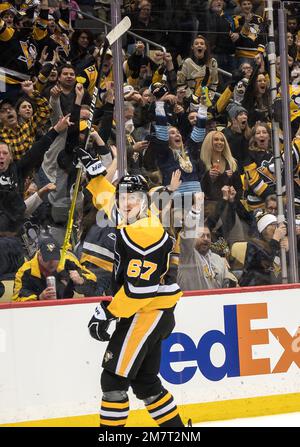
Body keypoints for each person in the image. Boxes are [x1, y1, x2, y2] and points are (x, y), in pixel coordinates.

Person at [81, 160, 184, 427]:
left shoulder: (146, 232)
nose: (126, 202)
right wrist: (95, 177)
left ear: (145, 200)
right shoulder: (132, 217)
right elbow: (109, 203)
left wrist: (108, 312)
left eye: (134, 198)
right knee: (146, 384)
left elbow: (141, 291)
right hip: (154, 313)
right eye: (123, 197)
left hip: (145, 312)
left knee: (113, 381)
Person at [178, 191, 238, 290]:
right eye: (201, 235)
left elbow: (229, 284)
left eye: (208, 236)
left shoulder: (218, 259)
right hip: (192, 304)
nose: (205, 238)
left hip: (216, 304)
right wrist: (196, 208)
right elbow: (188, 233)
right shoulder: (187, 256)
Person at [13, 235, 97, 301]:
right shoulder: (25, 271)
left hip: (66, 309)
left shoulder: (68, 261)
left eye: (55, 258)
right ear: (39, 255)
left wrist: (82, 281)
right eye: (47, 259)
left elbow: (93, 280)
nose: (51, 263)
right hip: (37, 313)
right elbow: (16, 299)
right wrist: (39, 298)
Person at [239, 212, 287, 286]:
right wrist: (275, 240)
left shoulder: (280, 244)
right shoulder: (253, 245)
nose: (276, 229)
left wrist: (289, 251)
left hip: (278, 287)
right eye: (273, 225)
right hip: (256, 287)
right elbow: (265, 263)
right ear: (263, 229)